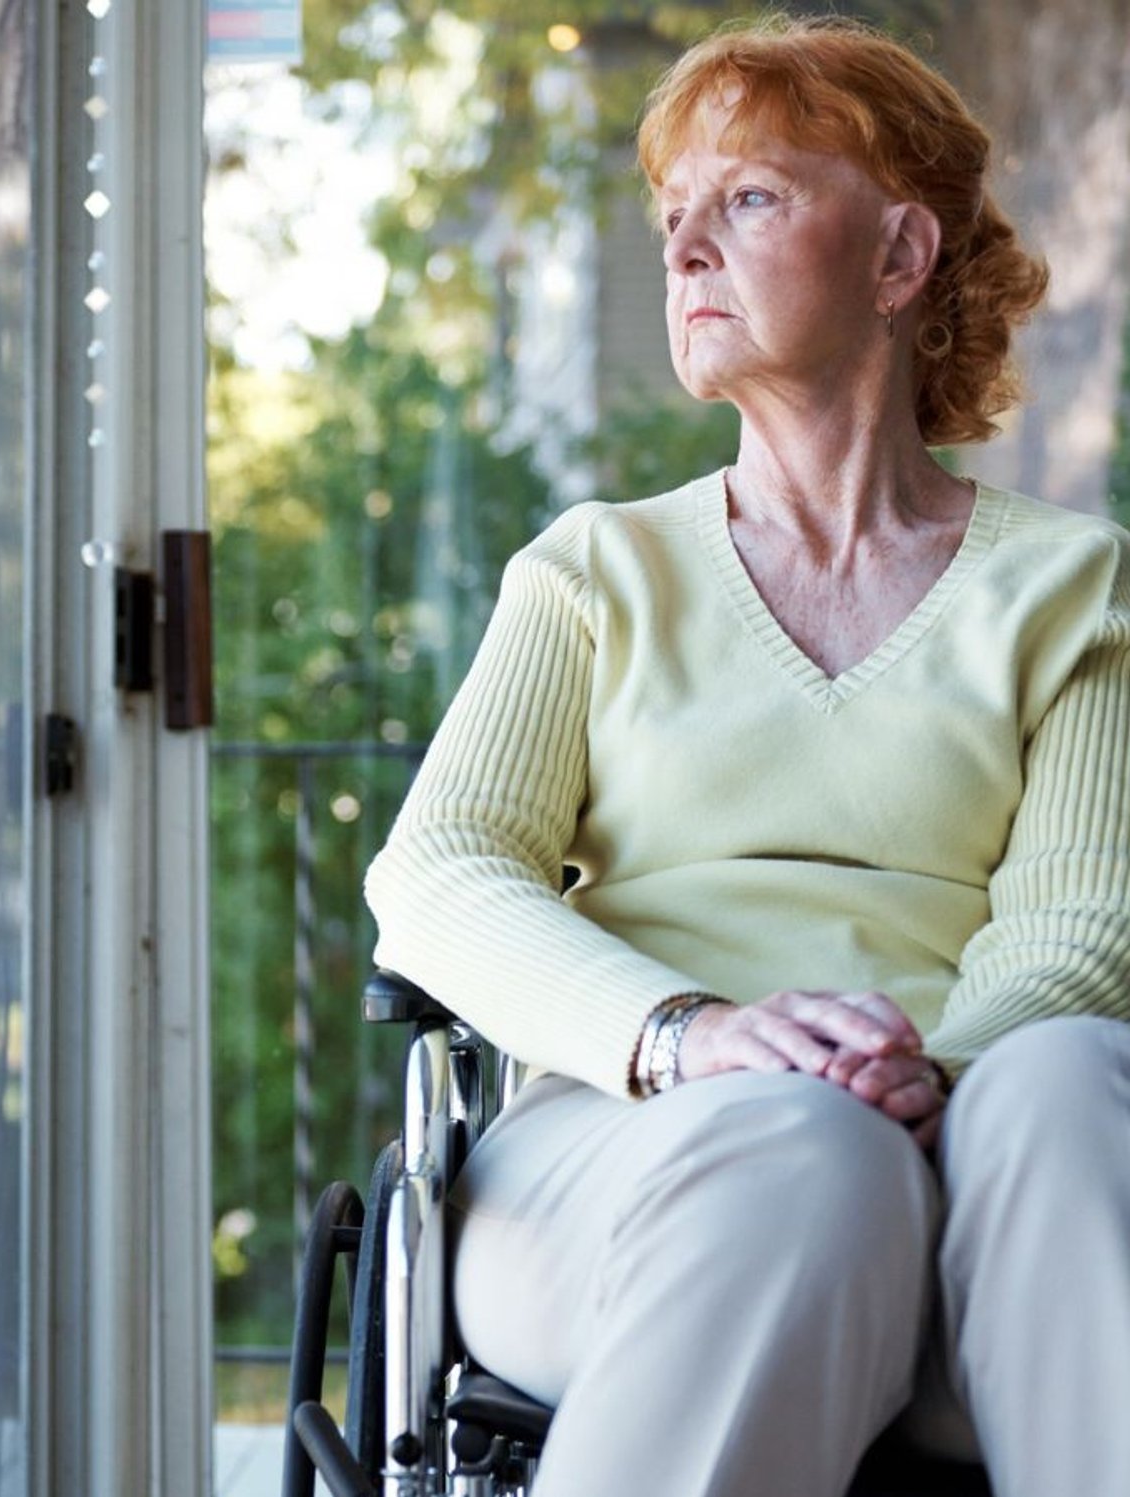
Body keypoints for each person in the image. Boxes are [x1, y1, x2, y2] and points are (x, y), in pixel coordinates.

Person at [364, 15, 1130, 1496]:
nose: (685, 249)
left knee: (1067, 1082)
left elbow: (1079, 930)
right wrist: (687, 1036)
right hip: (632, 1153)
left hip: (979, 1153)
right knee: (800, 1152)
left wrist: (932, 1079)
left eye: (752, 199)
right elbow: (440, 872)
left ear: (902, 259)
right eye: (673, 218)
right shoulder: (594, 573)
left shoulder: (1075, 585)